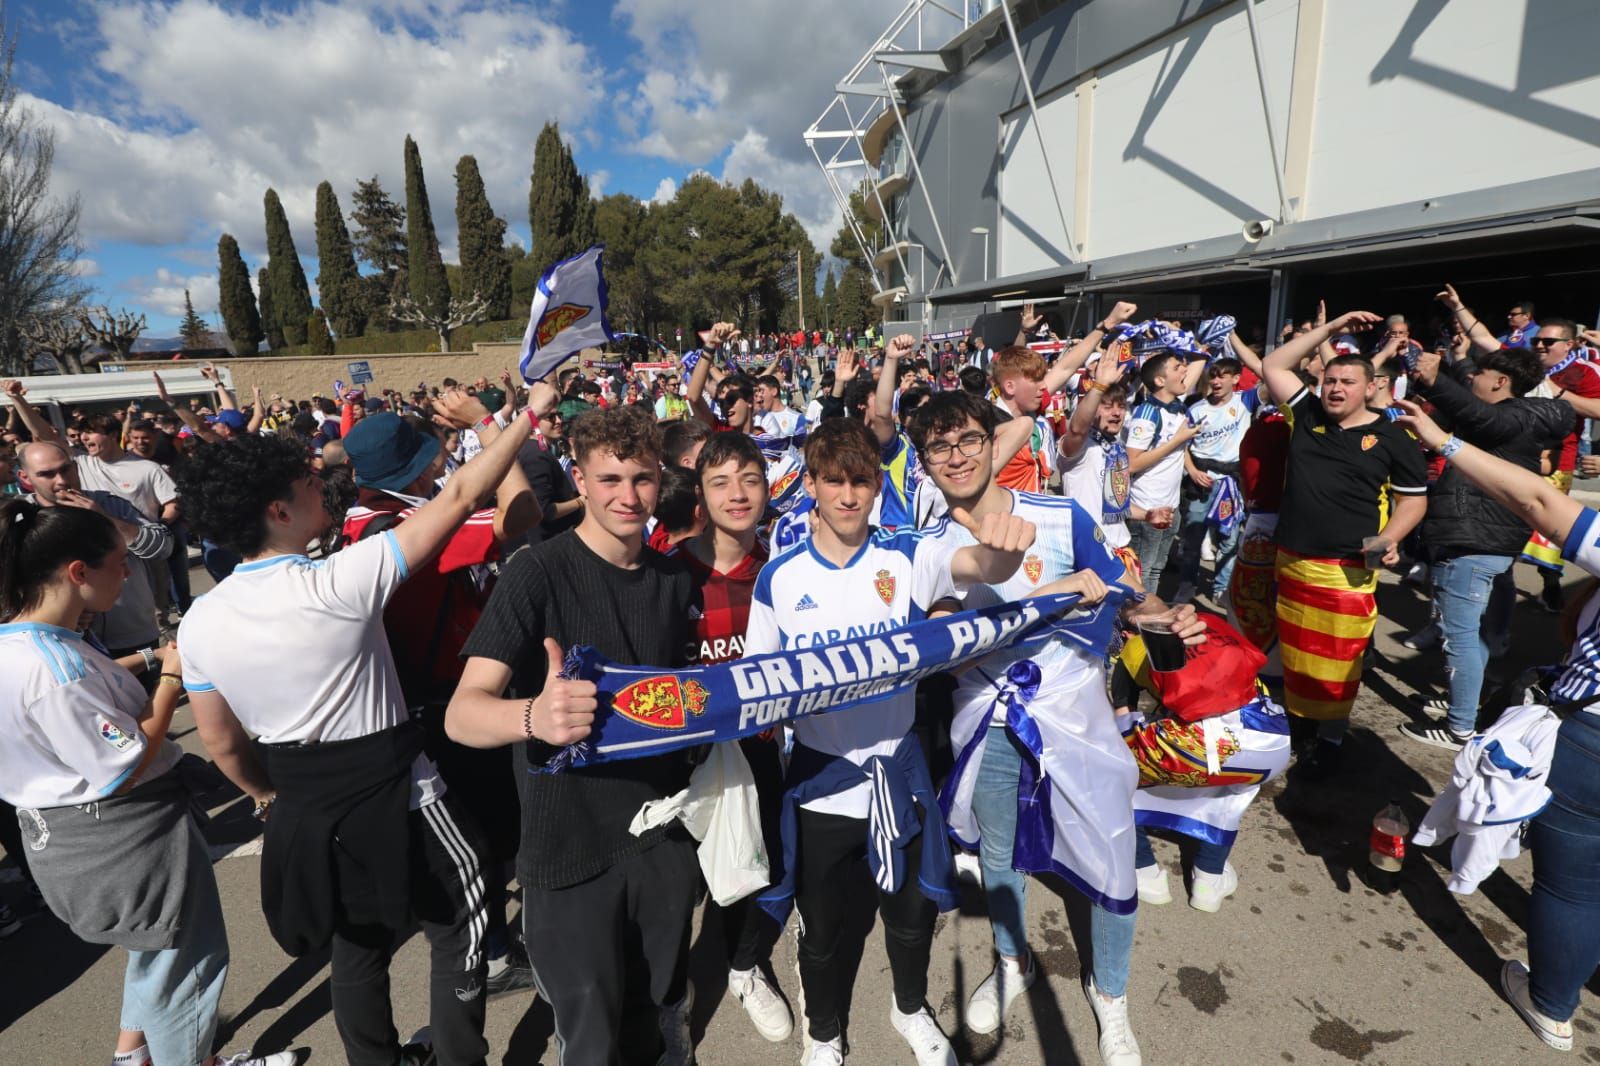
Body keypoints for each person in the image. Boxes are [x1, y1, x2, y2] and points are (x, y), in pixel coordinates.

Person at [174, 390, 534, 1066]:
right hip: (398, 785)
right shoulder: (339, 581)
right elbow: (459, 496)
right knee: (462, 917)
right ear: (278, 512)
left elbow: (221, 742)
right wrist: (525, 411)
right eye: (310, 485)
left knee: (357, 944)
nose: (326, 490)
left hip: (303, 802)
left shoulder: (199, 621)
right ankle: (460, 1056)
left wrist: (266, 794)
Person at [908, 390, 1203, 1064]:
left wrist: (1168, 619)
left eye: (968, 440)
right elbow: (944, 641)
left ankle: (1112, 997)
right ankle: (1013, 962)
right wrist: (1049, 596)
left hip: (1075, 714)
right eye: (939, 447)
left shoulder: (1059, 514)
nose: (956, 457)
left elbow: (1130, 596)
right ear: (924, 462)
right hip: (985, 716)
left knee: (1109, 847)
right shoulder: (928, 546)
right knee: (999, 854)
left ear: (993, 442)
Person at [744, 417, 1038, 1066]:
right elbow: (753, 687)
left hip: (898, 782)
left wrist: (1005, 552)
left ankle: (909, 1009)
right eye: (834, 481)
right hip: (820, 789)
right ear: (812, 487)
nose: (849, 496)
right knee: (819, 934)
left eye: (861, 481)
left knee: (909, 922)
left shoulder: (907, 555)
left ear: (879, 485)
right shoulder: (780, 578)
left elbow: (974, 562)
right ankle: (823, 1034)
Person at [447, 405, 700, 1066]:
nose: (628, 496)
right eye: (609, 478)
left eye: (642, 479)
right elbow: (462, 713)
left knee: (654, 1017)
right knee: (590, 1041)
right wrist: (533, 716)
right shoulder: (537, 572)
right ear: (579, 481)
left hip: (661, 839)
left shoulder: (675, 581)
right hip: (569, 852)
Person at [0, 498, 292, 1066]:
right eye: (119, 563)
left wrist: (148, 661)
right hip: (124, 838)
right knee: (188, 963)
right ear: (77, 573)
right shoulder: (56, 670)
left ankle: (133, 1055)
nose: (129, 574)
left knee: (155, 951)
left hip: (65, 839)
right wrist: (173, 678)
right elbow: (124, 761)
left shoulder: (22, 645)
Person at [1393, 396, 1600, 1053]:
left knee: (1571, 886)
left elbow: (1540, 502)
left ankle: (1551, 1004)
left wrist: (1443, 441)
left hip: (1591, 739)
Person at [341, 391, 547, 998]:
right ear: (421, 466)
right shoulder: (414, 526)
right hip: (447, 700)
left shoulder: (362, 516)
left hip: (413, 695)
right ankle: (493, 956)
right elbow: (523, 511)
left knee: (474, 833)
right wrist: (490, 426)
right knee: (484, 835)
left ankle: (488, 943)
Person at [1258, 311, 1429, 776]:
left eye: (1347, 382)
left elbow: (1412, 502)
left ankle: (1329, 739)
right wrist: (1330, 330)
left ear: (1369, 387)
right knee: (1296, 655)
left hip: (1346, 570)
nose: (1335, 389)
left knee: (1339, 659)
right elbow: (1274, 365)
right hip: (1292, 562)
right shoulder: (1307, 412)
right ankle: (1300, 728)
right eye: (1330, 380)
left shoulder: (1395, 438)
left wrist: (1391, 537)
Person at [677, 432, 794, 1043]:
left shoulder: (782, 571)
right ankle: (673, 991)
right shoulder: (669, 573)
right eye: (720, 481)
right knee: (676, 886)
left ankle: (744, 967)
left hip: (758, 749)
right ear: (700, 495)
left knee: (751, 867)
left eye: (750, 479)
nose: (737, 493)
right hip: (679, 757)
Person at [1396, 345, 1570, 749]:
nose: (1471, 379)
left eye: (1478, 373)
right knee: (1466, 634)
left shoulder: (1509, 418)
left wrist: (1436, 379)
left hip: (1474, 542)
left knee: (1458, 637)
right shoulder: (1517, 418)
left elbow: (1478, 415)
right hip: (1477, 539)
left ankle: (1460, 728)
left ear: (1501, 381)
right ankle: (1465, 702)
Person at [16, 441, 172, 670]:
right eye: (46, 474)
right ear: (26, 478)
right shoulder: (21, 519)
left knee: (147, 699)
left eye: (65, 469)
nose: (61, 481)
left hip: (132, 635)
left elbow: (163, 546)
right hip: (60, 645)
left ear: (76, 468)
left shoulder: (110, 504)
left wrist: (106, 520)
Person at [1175, 357, 1255, 605]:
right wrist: (1192, 471)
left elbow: (1270, 372)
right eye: (1213, 376)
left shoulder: (1246, 402)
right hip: (1202, 481)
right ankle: (1187, 586)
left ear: (1236, 379)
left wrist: (1231, 336)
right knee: (1193, 537)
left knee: (1229, 540)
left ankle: (1221, 589)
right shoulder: (1196, 409)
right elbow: (1181, 444)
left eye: (1223, 376)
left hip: (1231, 483)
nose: (1217, 381)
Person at [1124, 353, 1201, 595]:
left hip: (1171, 506)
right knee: (1141, 572)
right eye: (1178, 367)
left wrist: (1192, 469)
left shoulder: (1179, 407)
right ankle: (1136, 624)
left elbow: (1179, 451)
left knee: (1157, 569)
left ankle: (1147, 620)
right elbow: (1132, 463)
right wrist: (1178, 439)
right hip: (1146, 509)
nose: (1184, 371)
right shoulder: (1147, 413)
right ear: (1159, 380)